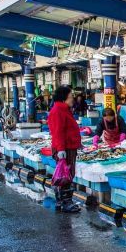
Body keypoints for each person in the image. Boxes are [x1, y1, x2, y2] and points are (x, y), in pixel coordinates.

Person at [48, 85, 83, 213]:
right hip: (65, 148)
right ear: (64, 98)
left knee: (65, 174)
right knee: (66, 175)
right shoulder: (58, 111)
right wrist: (61, 149)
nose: (72, 98)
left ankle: (61, 201)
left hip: (69, 146)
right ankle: (66, 202)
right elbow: (58, 132)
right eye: (70, 96)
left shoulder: (64, 109)